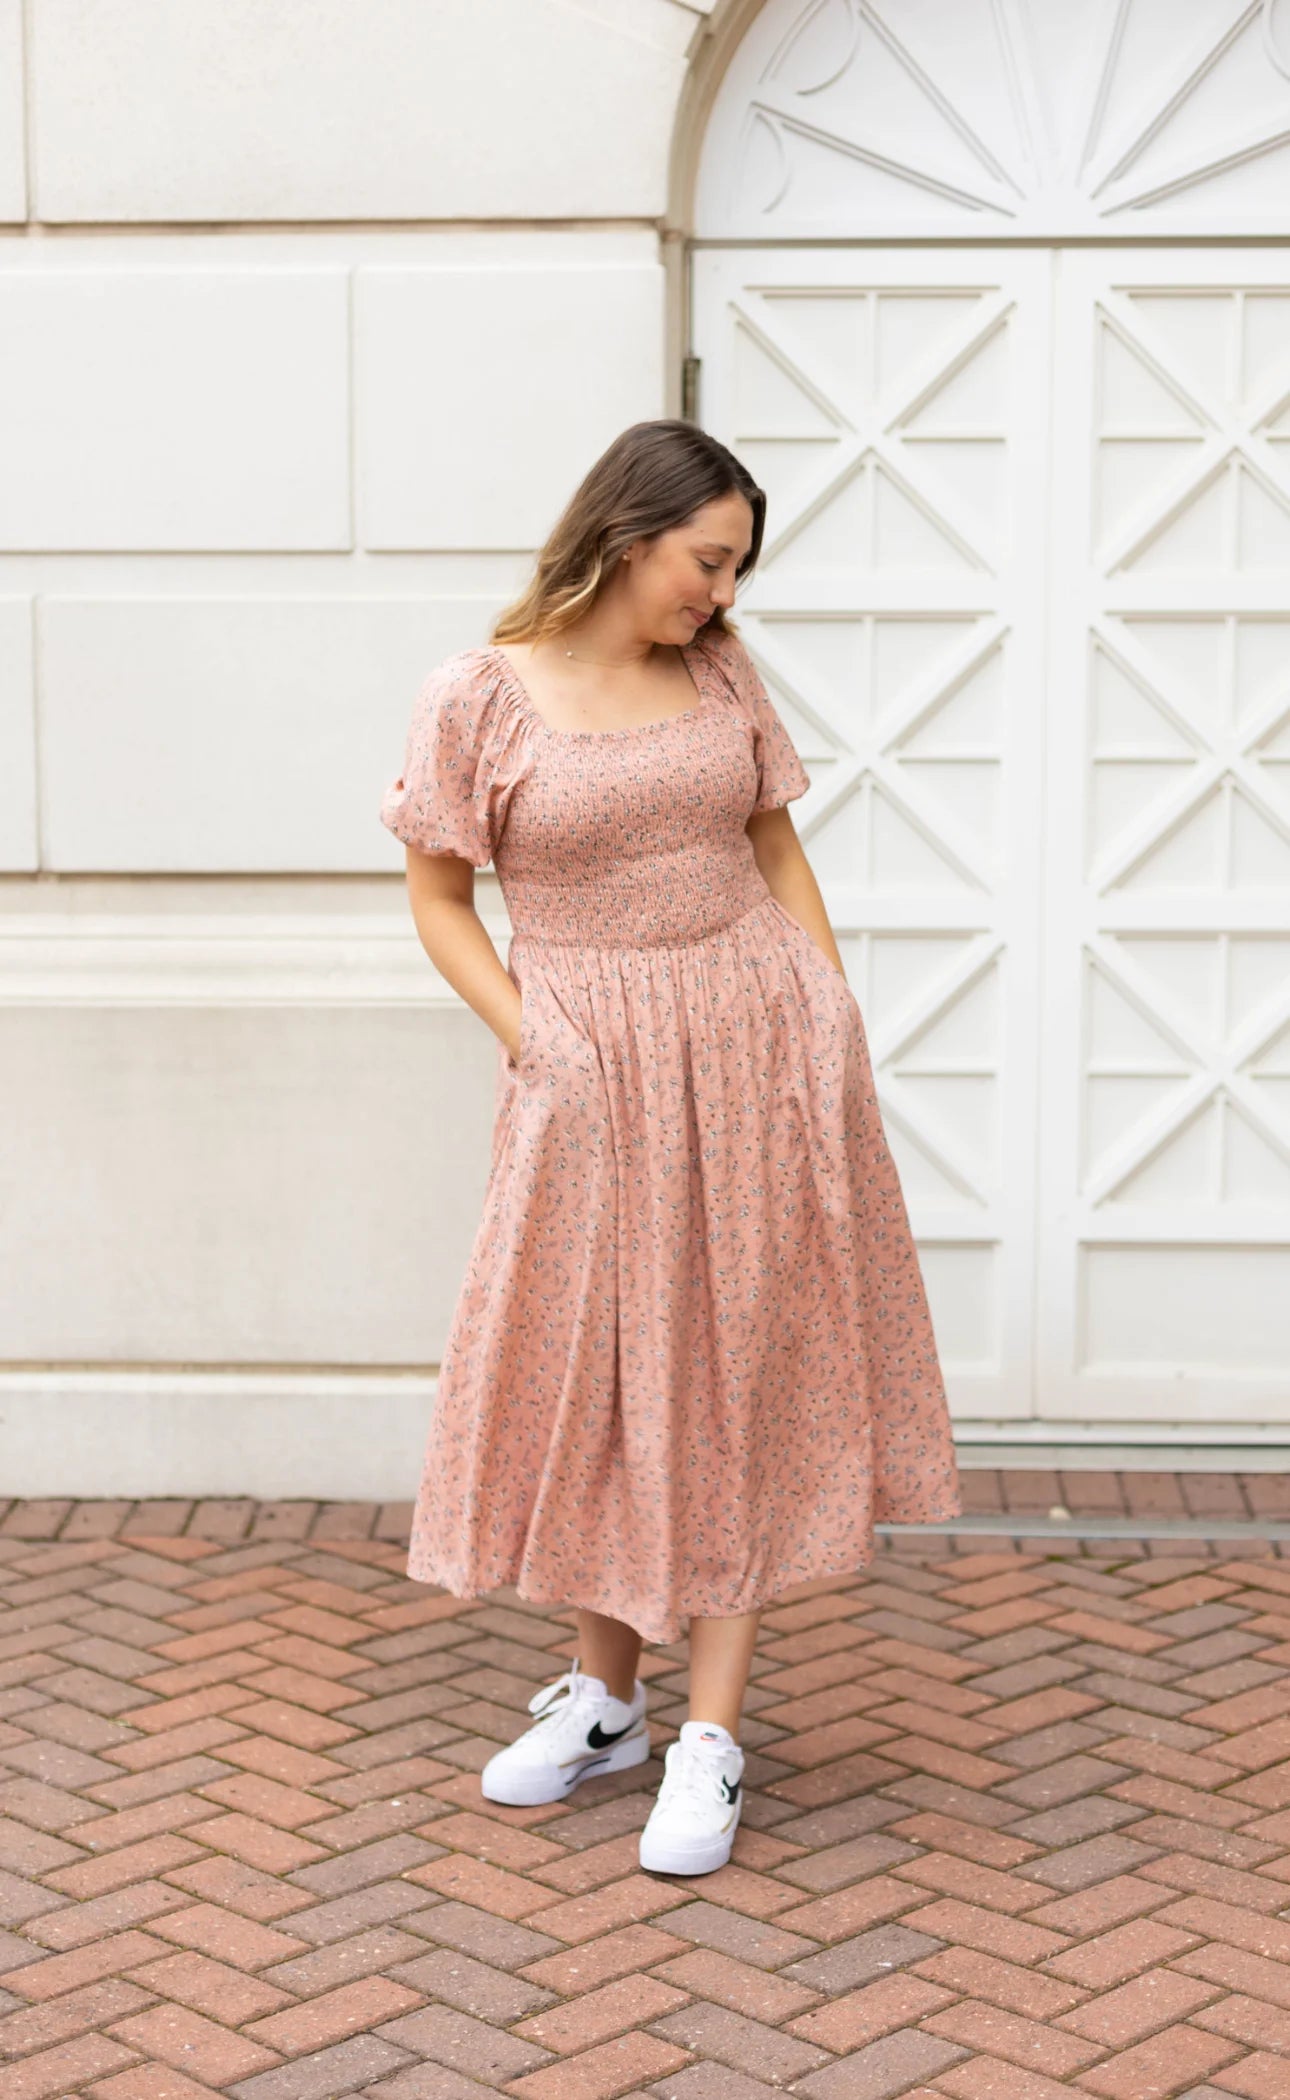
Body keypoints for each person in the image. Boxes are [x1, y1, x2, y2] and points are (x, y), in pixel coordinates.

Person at [379, 419, 961, 1877]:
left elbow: (774, 846)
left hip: (753, 1034)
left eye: (736, 567)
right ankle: (605, 1705)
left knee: (739, 1368)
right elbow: (440, 896)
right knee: (606, 1374)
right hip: (590, 1063)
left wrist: (825, 1009)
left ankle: (709, 1733)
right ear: (628, 532)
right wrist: (533, 1034)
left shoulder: (718, 674)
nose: (720, 592)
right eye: (707, 560)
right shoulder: (478, 695)